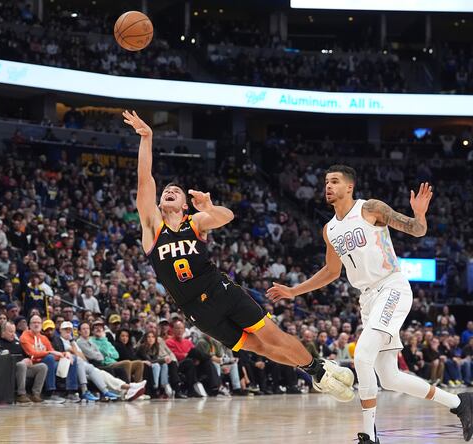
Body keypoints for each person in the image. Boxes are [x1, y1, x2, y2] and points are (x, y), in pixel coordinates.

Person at [122, 110, 353, 402]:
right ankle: (315, 371)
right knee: (260, 348)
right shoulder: (152, 229)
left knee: (273, 338)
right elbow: (145, 181)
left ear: (184, 205)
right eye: (167, 190)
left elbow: (226, 217)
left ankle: (317, 371)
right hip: (196, 311)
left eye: (176, 191)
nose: (170, 191)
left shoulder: (195, 222)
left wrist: (209, 205)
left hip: (221, 292)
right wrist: (147, 137)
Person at [268, 165, 473, 443]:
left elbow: (416, 230)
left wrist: (419, 214)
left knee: (362, 355)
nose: (328, 186)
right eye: (326, 182)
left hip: (391, 286)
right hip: (367, 298)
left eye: (334, 182)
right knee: (389, 377)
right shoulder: (329, 229)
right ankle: (459, 403)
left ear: (349, 187)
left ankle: (369, 436)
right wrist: (295, 291)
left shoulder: (370, 208)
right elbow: (331, 271)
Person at [0, 321, 48, 403]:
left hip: (23, 369)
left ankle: (36, 394)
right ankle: (21, 394)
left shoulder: (17, 343)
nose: (13, 334)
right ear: (3, 332)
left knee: (42, 366)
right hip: (10, 370)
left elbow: (27, 356)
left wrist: (29, 360)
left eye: (14, 332)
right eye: (10, 332)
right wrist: (23, 362)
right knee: (21, 365)